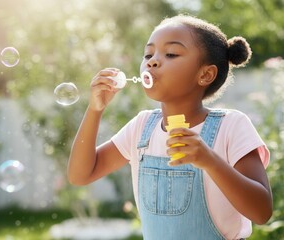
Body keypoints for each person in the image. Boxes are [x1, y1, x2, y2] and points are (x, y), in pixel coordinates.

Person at [67, 14, 273, 240]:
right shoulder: (142, 127)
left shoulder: (231, 126)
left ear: (205, 74)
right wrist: (95, 109)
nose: (152, 61)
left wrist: (210, 161)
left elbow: (261, 212)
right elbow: (80, 175)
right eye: (148, 54)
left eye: (171, 53)